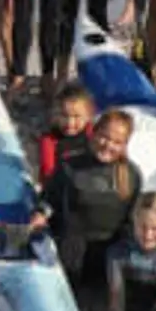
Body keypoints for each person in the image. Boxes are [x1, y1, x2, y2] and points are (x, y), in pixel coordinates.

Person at [38, 109, 139, 281]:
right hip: (71, 254)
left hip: (109, 259)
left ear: (124, 146)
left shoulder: (131, 175)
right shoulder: (69, 166)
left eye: (117, 142)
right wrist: (40, 214)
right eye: (104, 137)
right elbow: (48, 200)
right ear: (94, 133)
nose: (108, 145)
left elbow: (132, 220)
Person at [38, 83, 97, 185]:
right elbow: (49, 173)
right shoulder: (50, 140)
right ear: (56, 114)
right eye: (64, 116)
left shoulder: (92, 135)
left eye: (76, 116)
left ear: (88, 116)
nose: (70, 123)